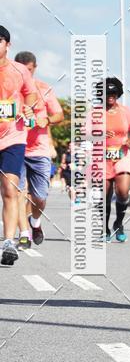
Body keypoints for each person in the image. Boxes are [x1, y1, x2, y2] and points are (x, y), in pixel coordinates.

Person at [14, 51, 64, 248]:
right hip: (15, 145)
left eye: (28, 70)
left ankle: (35, 221)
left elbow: (59, 115)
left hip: (39, 150)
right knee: (18, 192)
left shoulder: (44, 89)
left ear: (34, 68)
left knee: (39, 198)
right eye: (21, 70)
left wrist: (47, 120)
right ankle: (24, 234)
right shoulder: (9, 89)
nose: (25, 73)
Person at [0, 26, 37, 265]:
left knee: (10, 189)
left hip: (13, 138)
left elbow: (30, 94)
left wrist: (28, 107)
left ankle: (8, 242)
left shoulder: (19, 70)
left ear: (7, 45)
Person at [96, 77, 130, 243]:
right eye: (107, 93)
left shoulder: (125, 111)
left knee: (123, 191)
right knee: (104, 195)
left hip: (122, 154)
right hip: (101, 157)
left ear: (118, 93)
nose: (110, 95)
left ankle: (119, 223)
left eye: (113, 92)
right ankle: (104, 228)